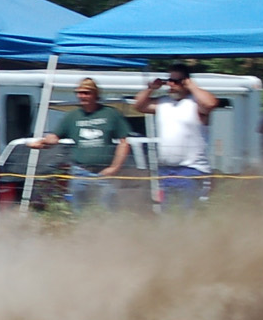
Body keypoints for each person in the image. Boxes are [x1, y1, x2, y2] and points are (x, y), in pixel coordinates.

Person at [27, 78, 131, 211]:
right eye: (79, 93)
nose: (82, 96)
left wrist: (114, 168)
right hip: (80, 172)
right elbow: (55, 136)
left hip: (105, 173)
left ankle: (110, 231)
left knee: (109, 210)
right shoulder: (72, 116)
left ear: (95, 94)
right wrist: (42, 142)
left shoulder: (111, 114)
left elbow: (124, 142)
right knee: (79, 210)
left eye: (87, 93)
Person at [134, 66, 217, 211]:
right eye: (169, 80)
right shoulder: (163, 103)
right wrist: (151, 88)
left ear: (186, 82)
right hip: (166, 171)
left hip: (191, 170)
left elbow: (210, 103)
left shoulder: (195, 104)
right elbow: (139, 105)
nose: (170, 84)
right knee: (167, 213)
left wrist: (193, 87)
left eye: (175, 81)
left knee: (188, 213)